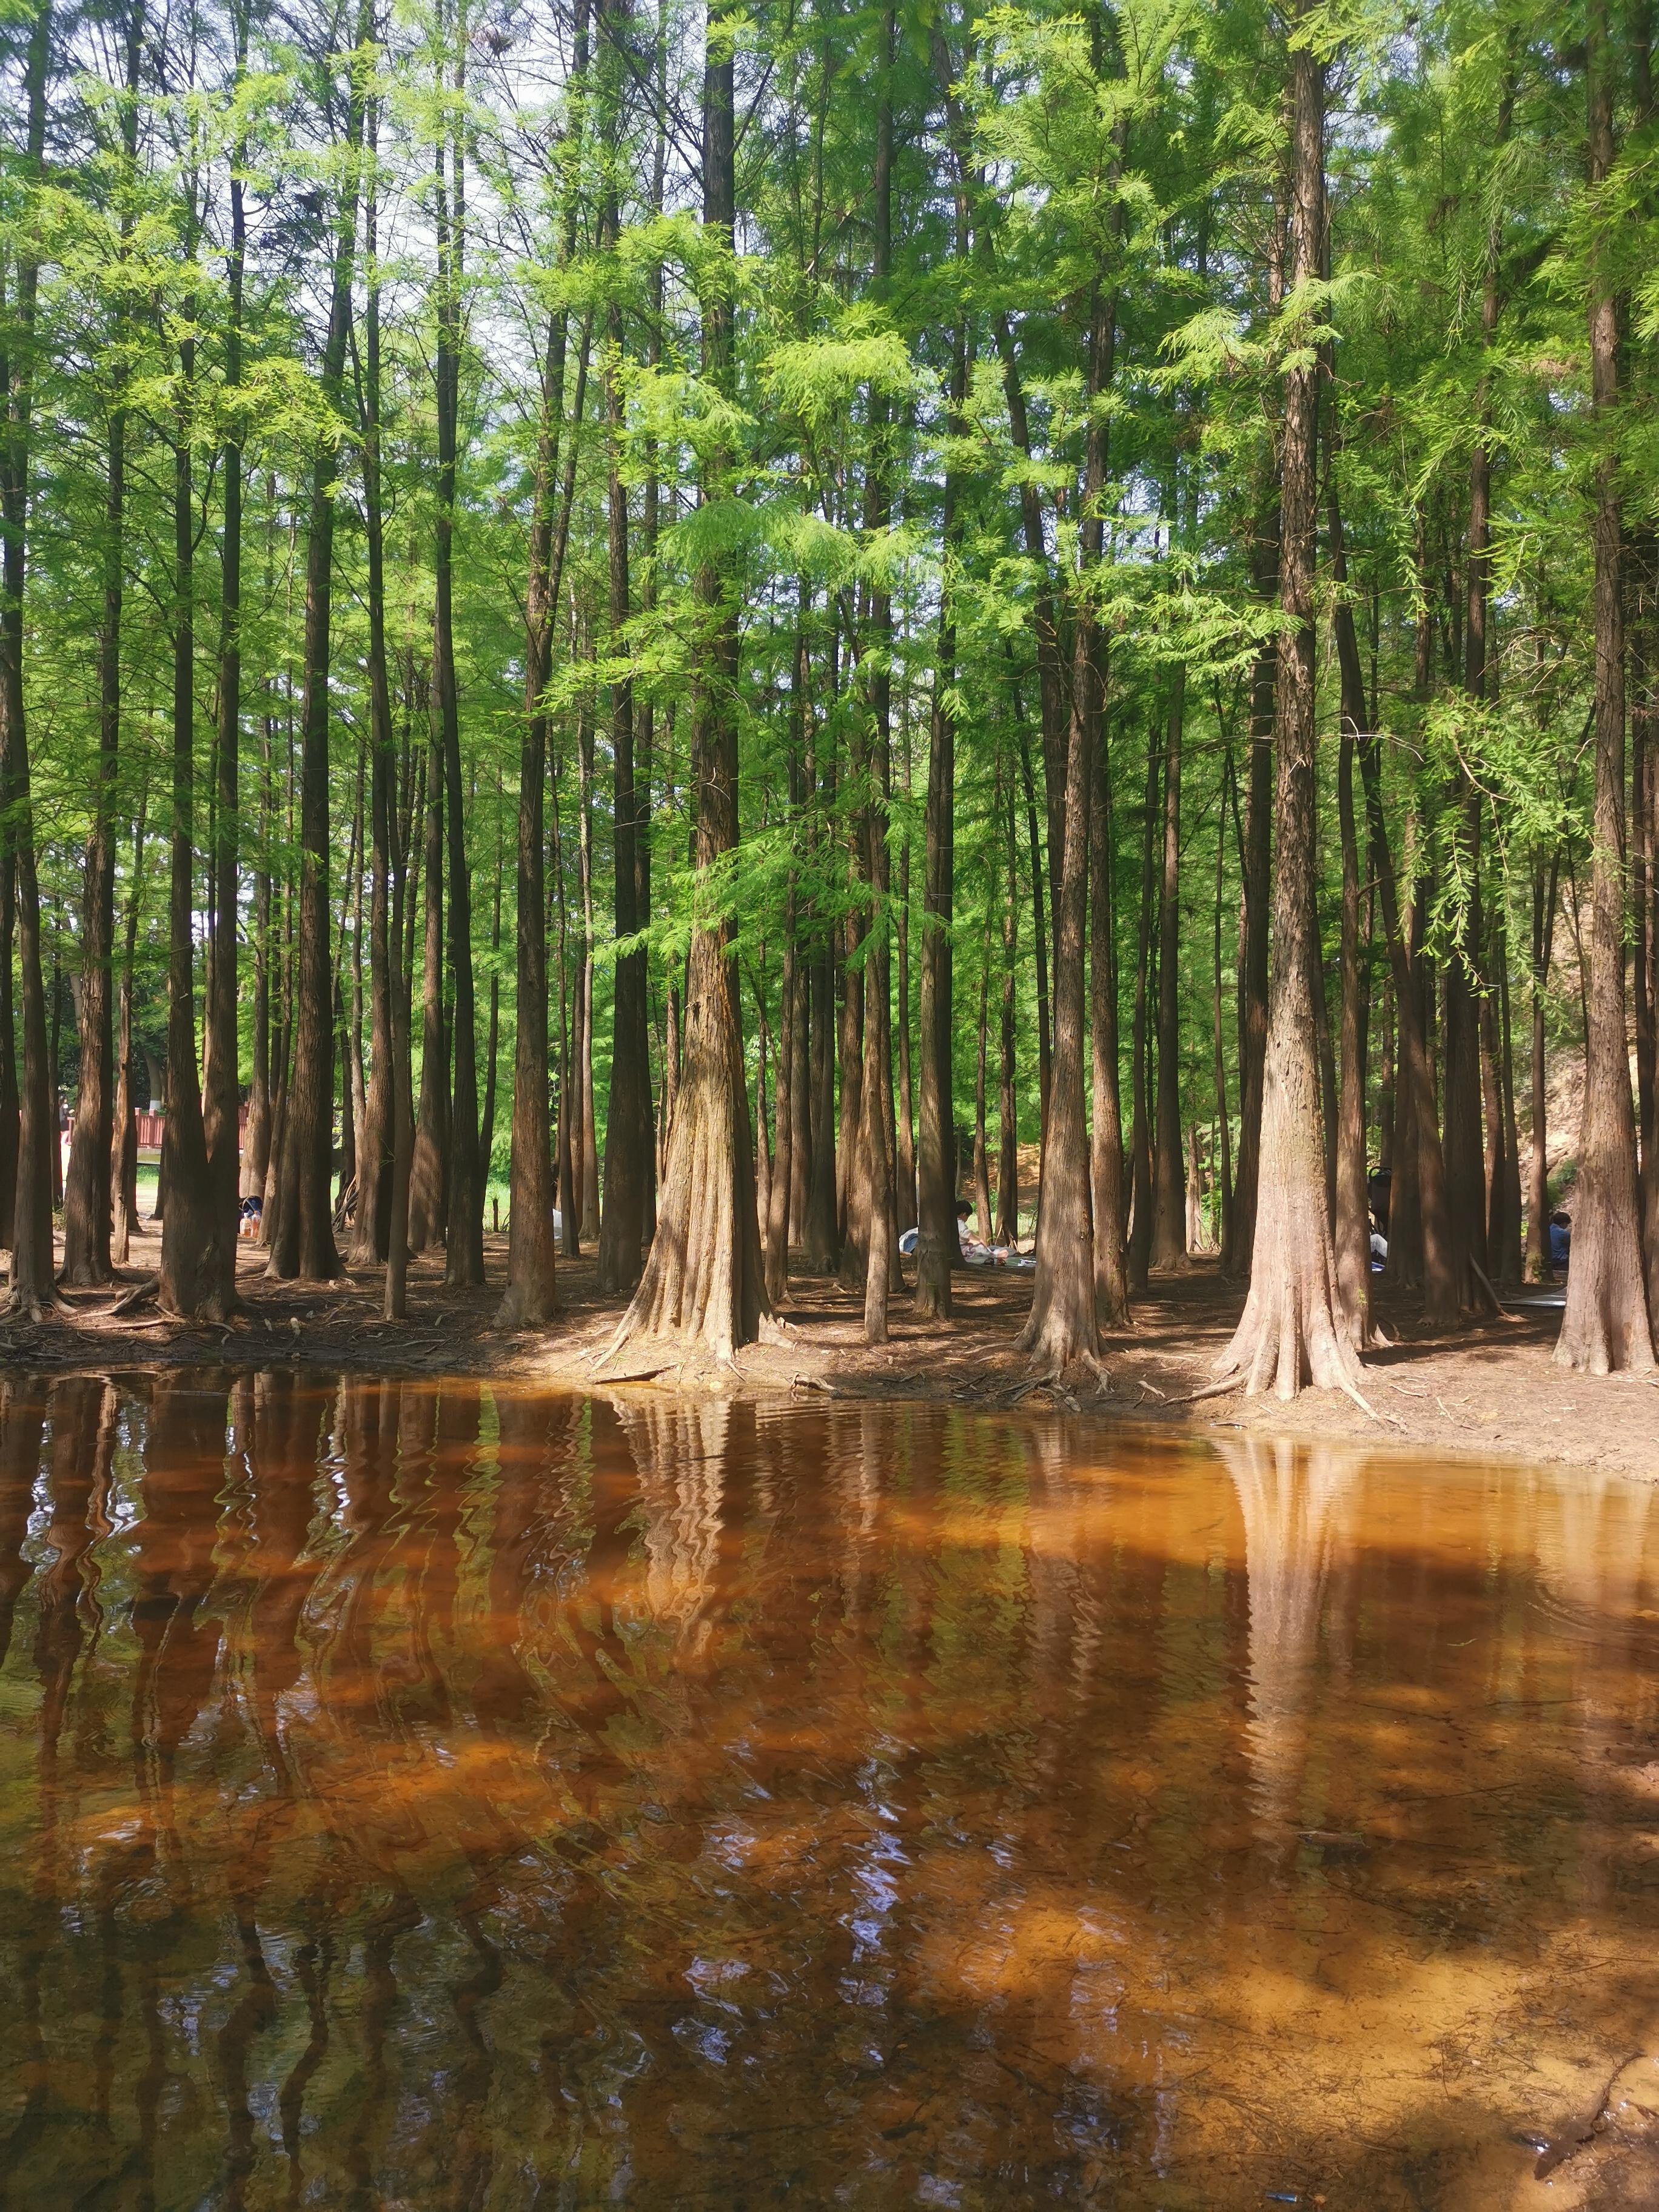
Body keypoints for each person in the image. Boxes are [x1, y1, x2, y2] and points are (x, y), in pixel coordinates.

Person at [1548, 1209, 1571, 1275]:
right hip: (1560, 1262)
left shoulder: (1547, 1230)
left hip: (1549, 1260)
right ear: (1563, 1223)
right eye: (1567, 1224)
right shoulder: (1564, 1233)